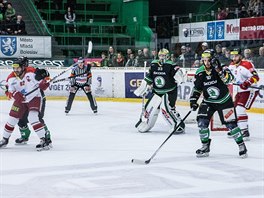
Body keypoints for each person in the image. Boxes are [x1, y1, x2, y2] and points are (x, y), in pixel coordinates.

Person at [190, 49, 248, 158]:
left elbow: (229, 80)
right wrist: (193, 100)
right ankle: (205, 146)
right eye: (204, 60)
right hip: (208, 102)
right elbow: (197, 88)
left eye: (209, 60)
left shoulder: (223, 67)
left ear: (213, 59)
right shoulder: (200, 72)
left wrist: (219, 69)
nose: (206, 63)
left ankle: (241, 145)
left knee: (231, 125)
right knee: (202, 123)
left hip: (224, 101)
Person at [0, 58, 51, 151]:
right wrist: (15, 95)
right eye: (14, 68)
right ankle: (4, 139)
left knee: (33, 118)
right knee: (12, 119)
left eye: (17, 68)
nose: (15, 70)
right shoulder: (11, 78)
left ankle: (44, 140)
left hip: (34, 98)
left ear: (23, 67)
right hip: (20, 101)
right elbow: (8, 92)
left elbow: (44, 81)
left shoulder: (31, 72)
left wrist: (44, 83)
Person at [134, 48, 186, 134]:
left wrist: (180, 75)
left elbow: (178, 72)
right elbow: (150, 77)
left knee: (167, 109)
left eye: (163, 56)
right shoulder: (154, 64)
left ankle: (178, 124)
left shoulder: (171, 65)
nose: (161, 57)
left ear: (168, 56)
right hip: (157, 92)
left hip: (169, 92)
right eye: (160, 56)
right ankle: (147, 123)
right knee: (149, 109)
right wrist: (144, 86)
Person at [227, 48, 260, 140]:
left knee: (240, 109)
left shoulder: (247, 64)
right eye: (232, 56)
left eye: (236, 56)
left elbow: (256, 77)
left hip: (250, 91)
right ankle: (238, 128)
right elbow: (229, 76)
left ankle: (244, 131)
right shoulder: (231, 65)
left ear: (240, 56)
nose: (234, 57)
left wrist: (247, 83)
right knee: (234, 110)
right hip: (239, 91)